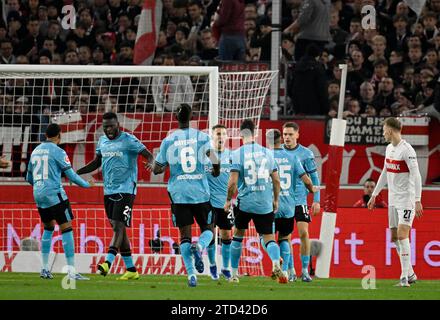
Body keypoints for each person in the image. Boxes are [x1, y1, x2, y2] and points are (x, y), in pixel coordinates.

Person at [77, 112, 154, 280]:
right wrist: (77, 173)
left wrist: (152, 162)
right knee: (117, 229)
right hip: (108, 190)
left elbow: (148, 154)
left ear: (117, 124)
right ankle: (131, 269)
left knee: (119, 226)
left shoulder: (129, 140)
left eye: (111, 126)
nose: (108, 130)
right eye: (105, 127)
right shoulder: (102, 141)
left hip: (126, 189)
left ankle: (108, 262)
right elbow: (97, 162)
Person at [151, 104, 220, 287]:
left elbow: (158, 169)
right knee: (208, 229)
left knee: (184, 236)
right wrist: (216, 171)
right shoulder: (202, 137)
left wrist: (157, 166)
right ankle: (200, 246)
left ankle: (191, 276)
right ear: (192, 116)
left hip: (178, 192)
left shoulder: (169, 139)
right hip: (200, 192)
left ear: (175, 117)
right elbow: (214, 159)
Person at [26, 123, 92, 280]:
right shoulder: (58, 151)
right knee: (66, 228)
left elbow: (29, 178)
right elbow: (72, 176)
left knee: (48, 228)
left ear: (46, 135)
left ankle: (44, 269)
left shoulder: (35, 151)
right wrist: (87, 185)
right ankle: (71, 271)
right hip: (54, 194)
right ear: (58, 136)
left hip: (38, 194)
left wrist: (41, 186)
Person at [224, 119, 287, 284]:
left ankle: (234, 275)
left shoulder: (237, 153)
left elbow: (232, 182)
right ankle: (275, 263)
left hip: (245, 202)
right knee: (268, 238)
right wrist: (275, 200)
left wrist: (228, 200)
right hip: (264, 202)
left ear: (240, 133)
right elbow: (277, 181)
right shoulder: (267, 153)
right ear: (255, 133)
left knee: (237, 235)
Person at [368, 117, 423, 287]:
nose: (383, 133)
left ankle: (404, 278)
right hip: (392, 199)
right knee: (394, 238)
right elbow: (385, 171)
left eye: (384, 129)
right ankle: (411, 273)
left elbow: (417, 175)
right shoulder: (389, 148)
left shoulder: (407, 150)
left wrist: (417, 200)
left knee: (402, 235)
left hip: (406, 199)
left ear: (390, 130)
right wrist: (375, 194)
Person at [265, 129, 317, 282]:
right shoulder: (293, 157)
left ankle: (277, 261)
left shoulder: (265, 157)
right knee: (284, 237)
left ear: (268, 142)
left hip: (271, 204)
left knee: (267, 237)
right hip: (289, 205)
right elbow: (308, 180)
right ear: (281, 139)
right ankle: (288, 273)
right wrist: (312, 190)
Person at [282, 122, 321, 282]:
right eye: (285, 134)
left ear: (297, 135)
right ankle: (291, 270)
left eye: (290, 134)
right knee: (286, 236)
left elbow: (314, 178)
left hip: (300, 199)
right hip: (284, 201)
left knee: (304, 233)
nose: (287, 137)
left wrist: (316, 200)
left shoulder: (306, 154)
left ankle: (304, 270)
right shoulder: (276, 153)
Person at [205, 124, 233, 281]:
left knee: (226, 235)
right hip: (208, 203)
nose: (220, 136)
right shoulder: (206, 155)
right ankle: (212, 267)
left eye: (223, 133)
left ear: (227, 137)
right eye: (217, 134)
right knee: (209, 235)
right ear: (212, 136)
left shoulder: (232, 156)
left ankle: (225, 267)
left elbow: (236, 179)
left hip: (225, 203)